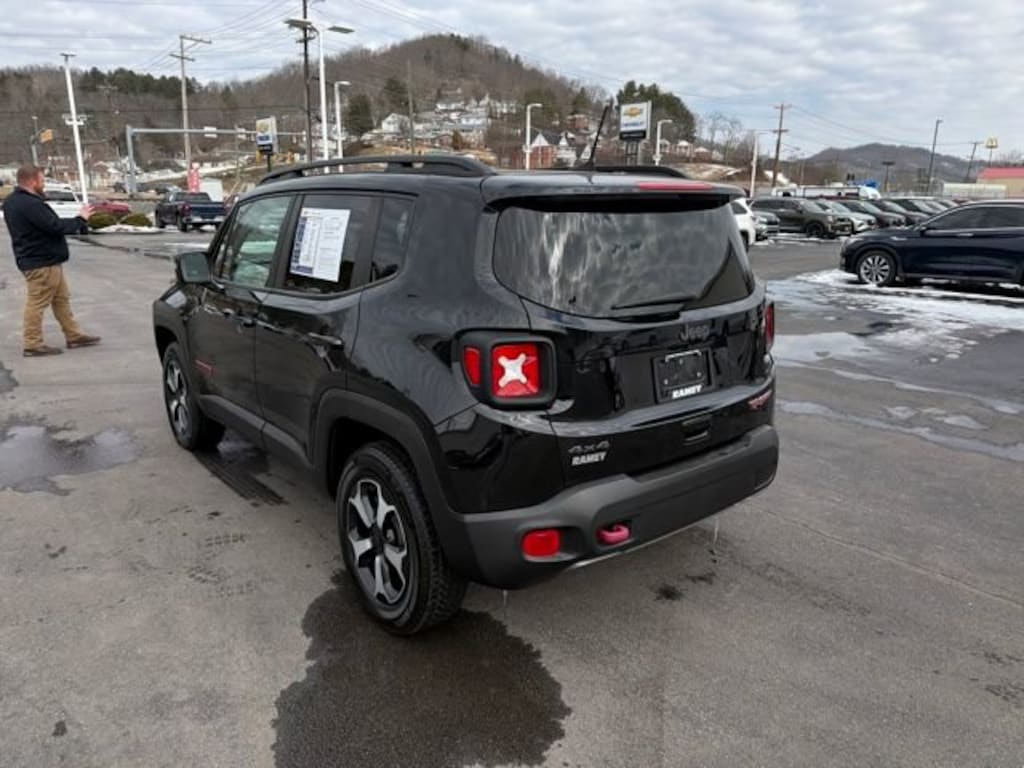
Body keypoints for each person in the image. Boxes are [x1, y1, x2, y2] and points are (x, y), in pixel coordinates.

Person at [2, 165, 101, 357]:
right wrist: (81, 219)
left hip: (39, 259)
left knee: (61, 299)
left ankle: (74, 335)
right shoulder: (31, 204)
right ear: (32, 181)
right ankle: (32, 344)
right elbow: (54, 226)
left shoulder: (12, 202)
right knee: (37, 303)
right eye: (42, 180)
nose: (44, 184)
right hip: (41, 262)